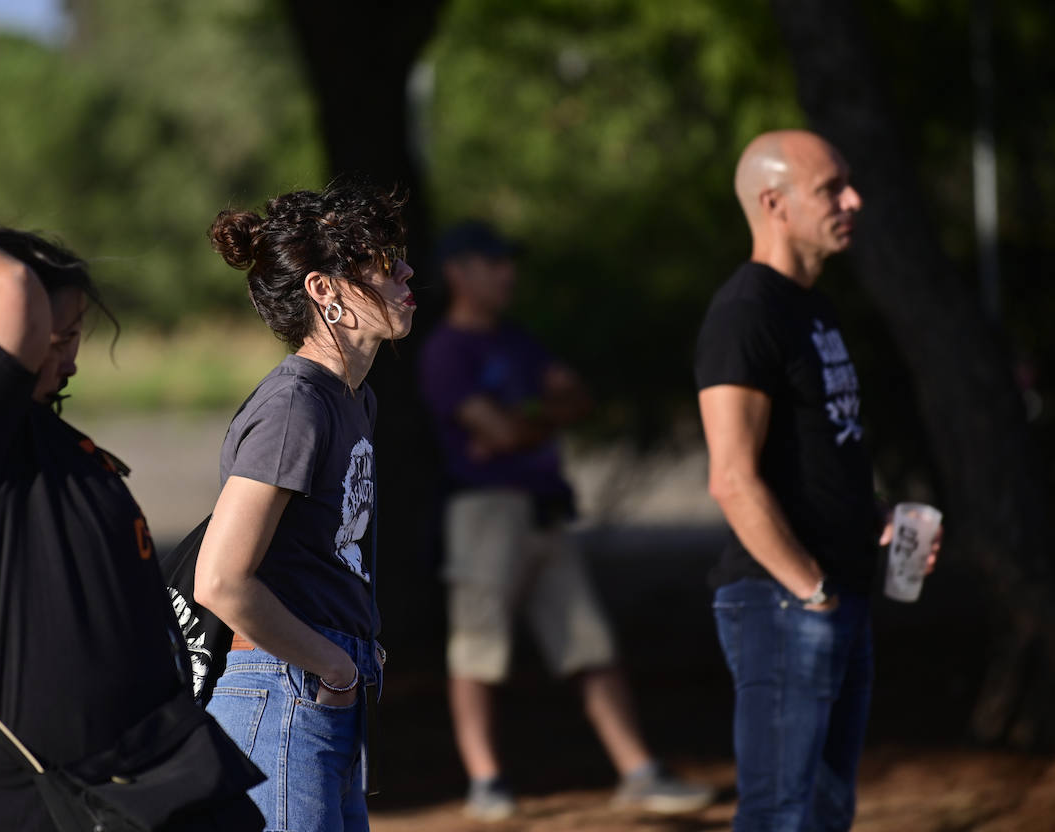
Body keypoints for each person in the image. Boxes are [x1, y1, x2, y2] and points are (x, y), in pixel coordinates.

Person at [0, 191, 260, 831]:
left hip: (123, 775)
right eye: (54, 336)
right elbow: (8, 289)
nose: (67, 358)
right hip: (6, 791)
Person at [418, 221, 715, 821]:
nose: (508, 274)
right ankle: (486, 781)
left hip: (544, 512)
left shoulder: (518, 340)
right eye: (493, 263)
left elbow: (570, 402)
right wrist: (530, 420)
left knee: (590, 644)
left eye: (508, 262)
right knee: (477, 651)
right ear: (458, 273)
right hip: (484, 515)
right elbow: (500, 428)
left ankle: (638, 770)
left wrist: (520, 420)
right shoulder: (448, 350)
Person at [695, 129, 941, 831]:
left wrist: (877, 517)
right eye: (832, 187)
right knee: (780, 813)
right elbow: (731, 479)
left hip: (831, 595)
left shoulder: (813, 309)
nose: (854, 199)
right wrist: (813, 592)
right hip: (782, 603)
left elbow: (815, 457)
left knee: (827, 811)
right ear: (774, 203)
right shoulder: (746, 313)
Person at [193, 180, 415, 832]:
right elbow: (220, 579)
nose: (404, 271)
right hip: (284, 686)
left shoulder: (352, 399)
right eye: (380, 258)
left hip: (316, 686)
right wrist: (336, 666)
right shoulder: (296, 404)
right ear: (324, 290)